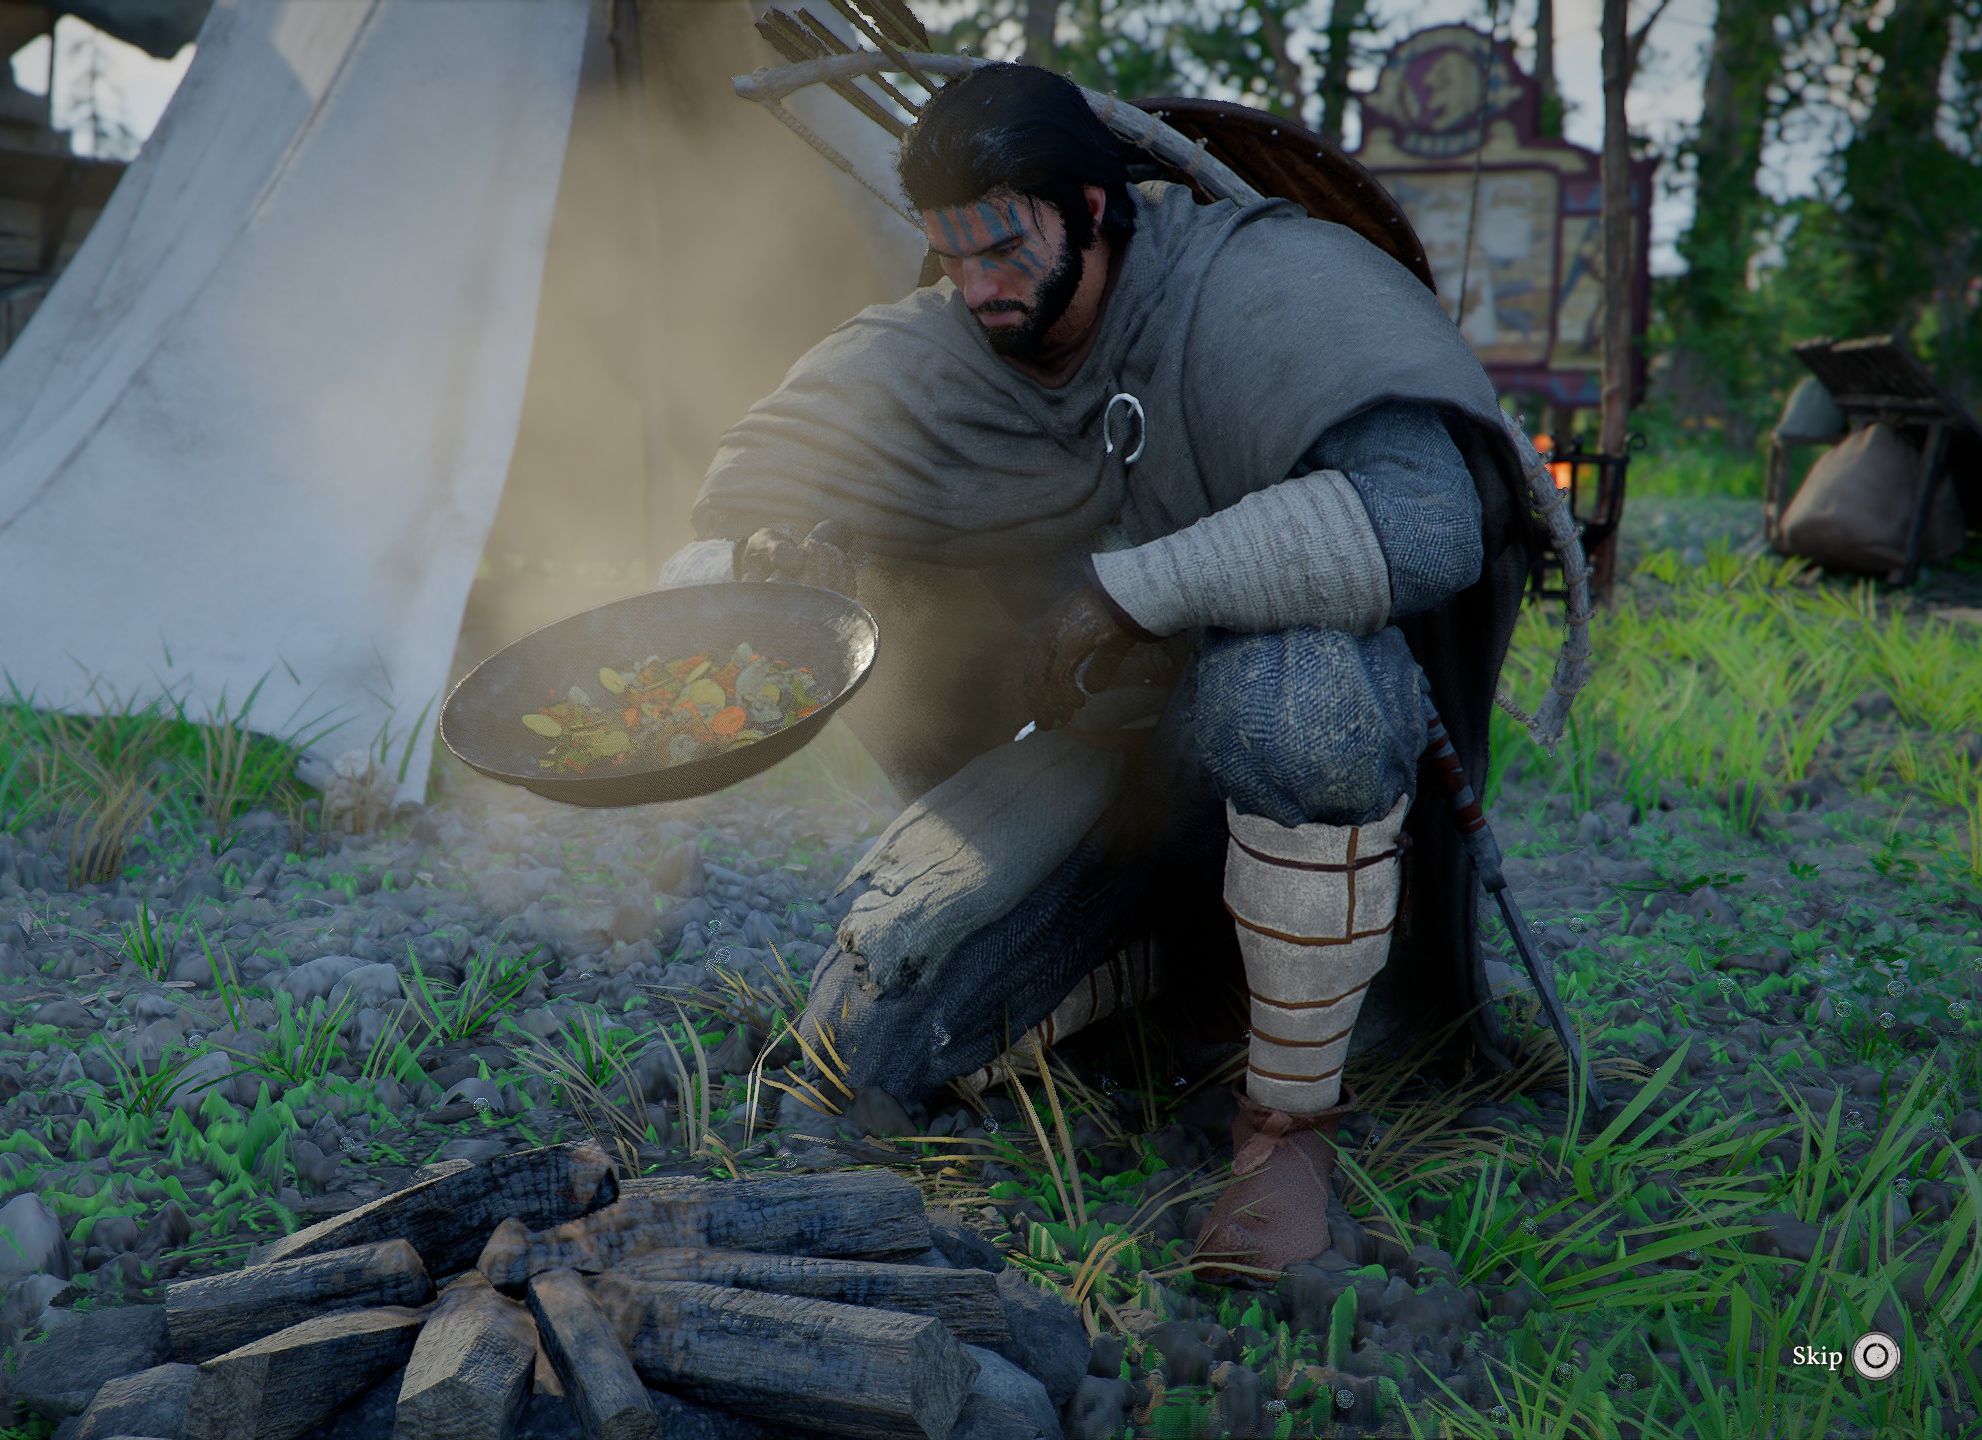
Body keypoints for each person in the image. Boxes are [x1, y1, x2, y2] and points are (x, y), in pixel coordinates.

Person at [657, 64, 1536, 1279]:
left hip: (1282, 743)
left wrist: (1135, 589)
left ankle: (1287, 1130)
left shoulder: (1254, 288)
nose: (977, 285)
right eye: (951, 254)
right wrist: (751, 570)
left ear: (1092, 205)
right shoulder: (936, 348)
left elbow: (1425, 519)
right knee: (868, 1061)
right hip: (1110, 778)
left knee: (1290, 698)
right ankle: (1165, 980)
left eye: (1005, 248)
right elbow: (728, 526)